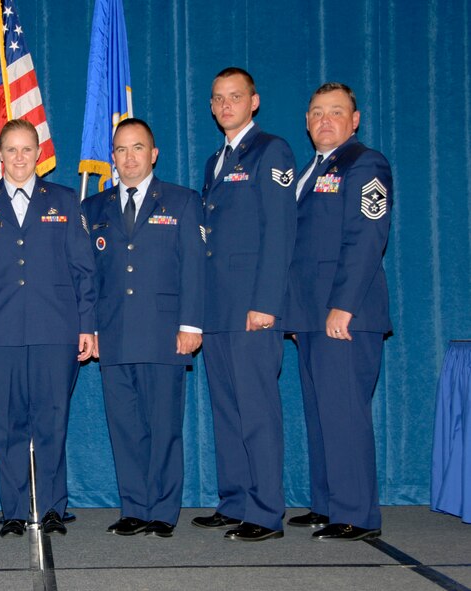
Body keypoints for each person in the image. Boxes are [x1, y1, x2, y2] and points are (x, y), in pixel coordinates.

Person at [0, 119, 96, 537]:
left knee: (53, 422)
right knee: (5, 426)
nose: (19, 158)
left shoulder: (65, 199)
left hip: (55, 331)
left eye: (26, 149)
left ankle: (55, 507)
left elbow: (83, 269)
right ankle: (15, 509)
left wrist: (87, 325)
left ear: (38, 154)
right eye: (11, 150)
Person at [82, 118, 204, 537]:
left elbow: (194, 267)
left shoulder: (183, 201)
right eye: (120, 149)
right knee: (125, 427)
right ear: (111, 157)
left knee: (164, 426)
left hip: (165, 333)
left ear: (153, 154)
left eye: (138, 148)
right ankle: (134, 507)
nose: (129, 157)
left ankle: (164, 511)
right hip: (113, 335)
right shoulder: (93, 209)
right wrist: (90, 327)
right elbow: (89, 278)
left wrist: (191, 324)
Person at [283, 82, 392, 541]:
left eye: (335, 111)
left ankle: (357, 514)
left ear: (355, 119)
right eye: (316, 112)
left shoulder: (364, 163)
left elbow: (367, 239)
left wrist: (342, 306)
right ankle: (328, 503)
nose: (324, 120)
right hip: (309, 316)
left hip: (346, 315)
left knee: (344, 412)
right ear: (307, 121)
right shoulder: (309, 171)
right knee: (321, 413)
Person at [193, 67, 297, 541]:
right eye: (218, 99)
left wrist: (267, 302)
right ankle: (235, 499)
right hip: (218, 310)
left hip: (252, 308)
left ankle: (266, 511)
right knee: (228, 410)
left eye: (235, 97)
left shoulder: (271, 151)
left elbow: (279, 231)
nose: (226, 105)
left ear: (254, 102)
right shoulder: (216, 159)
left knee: (257, 410)